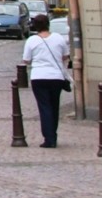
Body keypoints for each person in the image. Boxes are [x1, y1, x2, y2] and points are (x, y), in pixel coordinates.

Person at [21, 13, 71, 148]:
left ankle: (49, 139)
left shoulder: (32, 40)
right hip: (56, 77)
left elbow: (26, 60)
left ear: (35, 26)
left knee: (44, 107)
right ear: (48, 24)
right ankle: (53, 135)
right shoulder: (58, 38)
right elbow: (66, 56)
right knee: (54, 107)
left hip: (39, 77)